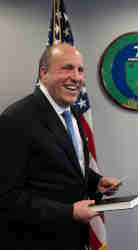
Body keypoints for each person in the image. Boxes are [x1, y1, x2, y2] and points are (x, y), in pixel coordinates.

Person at [0, 43, 121, 250]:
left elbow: (65, 165)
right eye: (67, 68)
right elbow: (7, 197)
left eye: (80, 70)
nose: (76, 77)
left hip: (73, 239)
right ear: (43, 73)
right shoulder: (16, 119)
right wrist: (69, 213)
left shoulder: (71, 113)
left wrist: (96, 181)